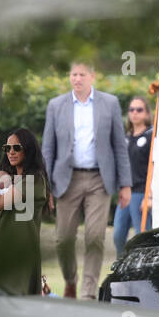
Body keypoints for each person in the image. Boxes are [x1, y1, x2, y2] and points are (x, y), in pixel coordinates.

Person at [42, 61, 131, 298]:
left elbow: (119, 146)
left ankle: (88, 293)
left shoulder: (109, 103)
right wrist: (45, 185)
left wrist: (125, 185)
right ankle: (70, 279)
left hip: (99, 180)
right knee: (63, 238)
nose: (77, 79)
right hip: (65, 180)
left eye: (82, 74)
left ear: (92, 76)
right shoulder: (56, 105)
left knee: (95, 237)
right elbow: (48, 148)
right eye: (73, 74)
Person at [0, 127, 49, 295]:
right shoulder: (6, 180)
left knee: (14, 310)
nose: (11, 152)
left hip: (17, 258)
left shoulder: (34, 180)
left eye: (16, 148)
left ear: (28, 149)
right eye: (7, 148)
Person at [113, 96, 152, 253]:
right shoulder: (125, 137)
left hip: (141, 192)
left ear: (147, 113)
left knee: (142, 236)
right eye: (132, 110)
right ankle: (121, 269)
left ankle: (143, 270)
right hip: (126, 193)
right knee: (118, 235)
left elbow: (154, 167)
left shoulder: (151, 136)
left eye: (139, 109)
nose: (135, 113)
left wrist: (149, 196)